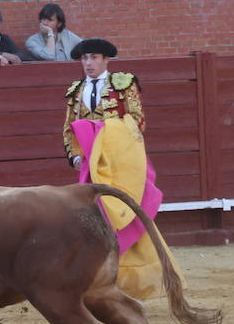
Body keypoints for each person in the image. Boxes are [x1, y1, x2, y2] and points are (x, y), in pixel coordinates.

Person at [60, 36, 169, 299]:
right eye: (85, 58)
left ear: (106, 60)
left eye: (94, 58)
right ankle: (96, 279)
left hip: (122, 167)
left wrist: (108, 143)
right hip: (91, 168)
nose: (88, 63)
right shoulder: (76, 91)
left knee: (127, 217)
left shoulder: (123, 85)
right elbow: (68, 128)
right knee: (93, 222)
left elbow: (137, 123)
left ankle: (135, 282)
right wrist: (75, 157)